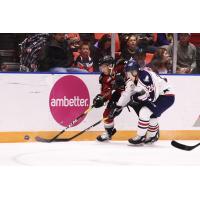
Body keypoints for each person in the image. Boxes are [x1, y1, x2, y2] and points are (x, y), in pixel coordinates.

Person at [110, 60, 175, 145]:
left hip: (166, 96)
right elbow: (127, 94)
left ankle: (140, 137)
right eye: (127, 73)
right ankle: (151, 137)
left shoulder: (145, 77)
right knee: (152, 115)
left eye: (130, 73)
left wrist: (137, 99)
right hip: (159, 96)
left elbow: (152, 97)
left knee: (144, 112)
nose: (128, 75)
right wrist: (118, 107)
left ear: (135, 71)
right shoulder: (132, 80)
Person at [92, 55, 126, 142]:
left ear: (110, 66)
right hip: (119, 94)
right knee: (107, 114)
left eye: (103, 67)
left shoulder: (121, 67)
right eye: (101, 67)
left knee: (142, 111)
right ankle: (109, 133)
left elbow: (134, 70)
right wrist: (101, 98)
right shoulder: (104, 77)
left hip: (133, 92)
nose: (102, 69)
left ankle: (150, 131)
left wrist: (123, 76)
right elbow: (106, 91)